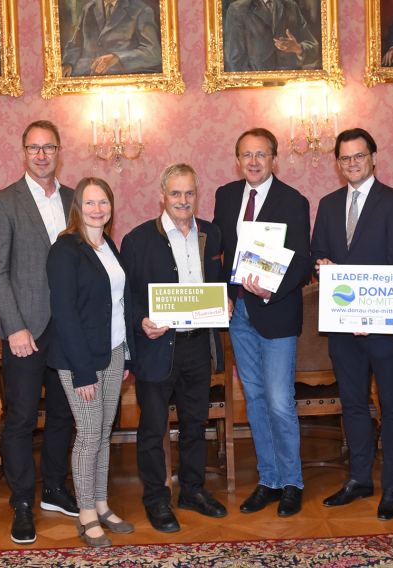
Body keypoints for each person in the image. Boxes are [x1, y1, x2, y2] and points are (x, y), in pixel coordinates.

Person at [310, 128, 393, 520]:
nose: (352, 163)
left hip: (385, 328)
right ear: (337, 163)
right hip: (341, 327)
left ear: (373, 156)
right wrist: (320, 265)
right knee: (352, 404)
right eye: (345, 158)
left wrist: (368, 314)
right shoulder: (328, 203)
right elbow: (317, 251)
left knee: (391, 405)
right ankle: (358, 478)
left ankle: (392, 485)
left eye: (359, 156)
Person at [120, 163, 227, 533]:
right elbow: (127, 298)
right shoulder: (136, 240)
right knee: (152, 428)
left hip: (198, 345)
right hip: (156, 348)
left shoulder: (212, 235)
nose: (183, 201)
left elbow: (219, 283)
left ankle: (193, 491)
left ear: (198, 195)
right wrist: (141, 322)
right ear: (162, 196)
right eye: (176, 193)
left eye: (190, 193)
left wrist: (224, 301)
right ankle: (156, 499)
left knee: (196, 424)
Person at [0, 120, 78, 544]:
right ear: (23, 152)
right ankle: (22, 500)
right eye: (34, 148)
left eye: (49, 147)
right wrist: (15, 326)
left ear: (59, 151)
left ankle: (56, 489)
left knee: (64, 414)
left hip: (69, 330)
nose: (42, 155)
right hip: (25, 330)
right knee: (20, 418)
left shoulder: (77, 199)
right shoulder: (3, 201)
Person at [213, 128, 311, 517]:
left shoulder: (293, 201)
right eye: (246, 155)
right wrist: (222, 295)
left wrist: (271, 291)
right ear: (238, 160)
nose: (253, 162)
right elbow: (218, 255)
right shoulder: (225, 196)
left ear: (274, 159)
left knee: (279, 402)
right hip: (240, 316)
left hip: (277, 313)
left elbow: (302, 261)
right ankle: (268, 479)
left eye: (261, 155)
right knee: (253, 400)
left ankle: (292, 482)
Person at [46, 177, 136, 548]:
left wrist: (127, 351)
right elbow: (64, 315)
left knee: (103, 432)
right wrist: (83, 371)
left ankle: (101, 503)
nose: (98, 209)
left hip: (114, 351)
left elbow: (117, 304)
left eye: (104, 202)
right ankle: (85, 514)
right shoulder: (65, 249)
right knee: (88, 434)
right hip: (79, 359)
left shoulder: (108, 245)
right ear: (77, 208)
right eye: (90, 203)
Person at [61, 0, 162, 76]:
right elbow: (75, 44)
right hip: (87, 80)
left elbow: (153, 53)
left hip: (121, 81)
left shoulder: (141, 9)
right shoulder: (89, 8)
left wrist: (117, 58)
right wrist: (68, 63)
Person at [223, 0, 320, 72]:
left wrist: (298, 48)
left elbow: (315, 49)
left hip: (289, 88)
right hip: (256, 89)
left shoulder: (291, 6)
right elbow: (234, 61)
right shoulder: (238, 10)